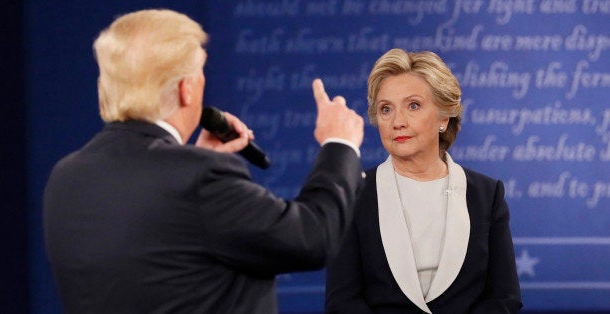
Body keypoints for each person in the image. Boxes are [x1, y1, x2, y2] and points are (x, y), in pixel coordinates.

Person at [43, 9, 364, 314]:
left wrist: (193, 159)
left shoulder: (67, 175)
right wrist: (340, 144)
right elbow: (311, 238)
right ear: (186, 89)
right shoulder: (198, 178)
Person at [325, 48, 522, 313]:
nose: (398, 122)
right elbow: (342, 302)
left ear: (443, 117)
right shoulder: (355, 194)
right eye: (386, 109)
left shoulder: (487, 195)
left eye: (413, 106)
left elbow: (504, 298)